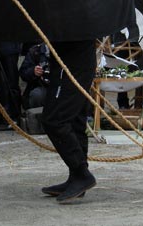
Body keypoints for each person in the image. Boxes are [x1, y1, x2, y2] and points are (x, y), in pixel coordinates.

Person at [40, 40, 97, 203]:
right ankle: (76, 178)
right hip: (73, 60)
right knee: (75, 120)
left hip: (73, 63)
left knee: (54, 120)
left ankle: (81, 174)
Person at [19, 43, 50, 109]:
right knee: (37, 95)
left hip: (59, 87)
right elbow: (23, 73)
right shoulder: (35, 51)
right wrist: (33, 71)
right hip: (41, 87)